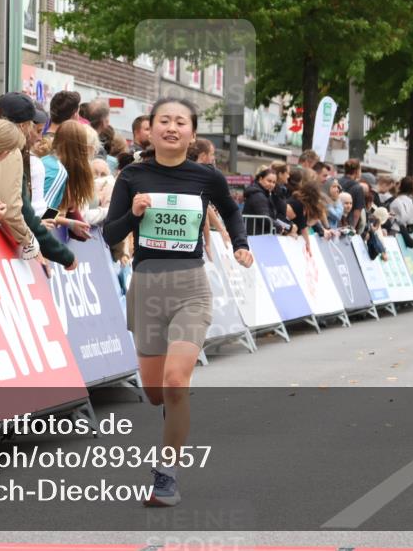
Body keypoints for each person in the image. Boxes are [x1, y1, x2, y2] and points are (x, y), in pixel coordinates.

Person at [103, 97, 253, 507]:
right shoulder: (132, 176)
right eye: (163, 121)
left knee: (175, 382)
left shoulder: (206, 177)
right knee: (156, 394)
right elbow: (109, 235)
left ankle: (167, 474)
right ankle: (174, 413)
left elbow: (232, 213)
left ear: (192, 132)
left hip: (191, 287)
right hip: (147, 287)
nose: (172, 128)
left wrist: (239, 244)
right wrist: (133, 215)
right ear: (149, 130)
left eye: (180, 122)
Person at [0, 92, 78, 268]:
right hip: (14, 237)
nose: (39, 137)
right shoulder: (51, 168)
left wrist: (65, 217)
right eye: (36, 130)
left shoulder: (37, 161)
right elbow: (42, 208)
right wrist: (63, 222)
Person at [41, 121, 96, 240]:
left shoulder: (47, 161)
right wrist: (69, 223)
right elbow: (41, 214)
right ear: (80, 148)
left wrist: (70, 222)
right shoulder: (58, 171)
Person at [242, 167, 282, 235]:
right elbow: (265, 218)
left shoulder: (264, 194)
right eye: (269, 181)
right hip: (255, 236)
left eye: (274, 182)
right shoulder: (258, 195)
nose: (271, 184)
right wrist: (279, 227)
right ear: (260, 179)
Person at [338, 158, 366, 231]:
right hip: (347, 224)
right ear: (356, 171)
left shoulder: (336, 182)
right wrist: (352, 231)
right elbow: (357, 213)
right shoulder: (358, 188)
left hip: (335, 222)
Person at [270, 161, 290, 225]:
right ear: (280, 174)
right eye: (287, 173)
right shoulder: (274, 192)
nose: (288, 176)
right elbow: (276, 216)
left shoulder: (281, 190)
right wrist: (289, 227)